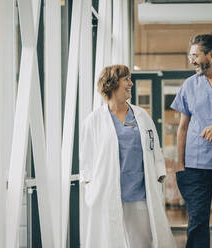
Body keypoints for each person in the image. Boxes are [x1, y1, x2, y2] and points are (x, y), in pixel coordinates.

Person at [79, 65, 176, 248]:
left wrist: (159, 172)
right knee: (111, 241)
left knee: (143, 241)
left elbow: (154, 147)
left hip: (139, 192)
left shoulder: (141, 115)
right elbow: (87, 159)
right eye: (127, 79)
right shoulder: (94, 121)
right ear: (112, 83)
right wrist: (90, 187)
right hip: (107, 192)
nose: (131, 83)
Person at [170, 34, 212, 248]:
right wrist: (180, 164)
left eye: (195, 55)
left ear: (211, 54)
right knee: (197, 221)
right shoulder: (190, 85)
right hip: (195, 165)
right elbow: (182, 128)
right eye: (190, 55)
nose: (191, 60)